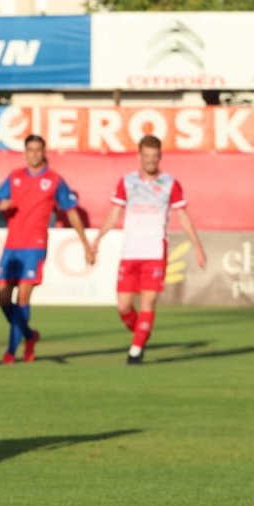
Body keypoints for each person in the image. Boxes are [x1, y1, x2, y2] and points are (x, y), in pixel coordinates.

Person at [91, 135, 206, 365]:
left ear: (160, 156)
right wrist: (98, 238)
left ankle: (136, 349)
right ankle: (142, 331)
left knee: (148, 302)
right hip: (130, 251)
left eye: (155, 156)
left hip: (155, 251)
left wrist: (197, 247)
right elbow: (115, 213)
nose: (151, 161)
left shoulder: (170, 184)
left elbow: (182, 216)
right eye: (147, 156)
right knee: (123, 307)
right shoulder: (127, 181)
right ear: (139, 156)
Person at [0, 134, 94, 365]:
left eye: (38, 150)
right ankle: (29, 335)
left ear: (44, 152)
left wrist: (86, 244)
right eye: (31, 150)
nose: (34, 154)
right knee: (3, 299)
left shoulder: (55, 180)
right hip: (12, 245)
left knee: (24, 295)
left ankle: (10, 352)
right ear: (26, 152)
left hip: (35, 246)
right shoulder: (15, 177)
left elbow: (72, 211)